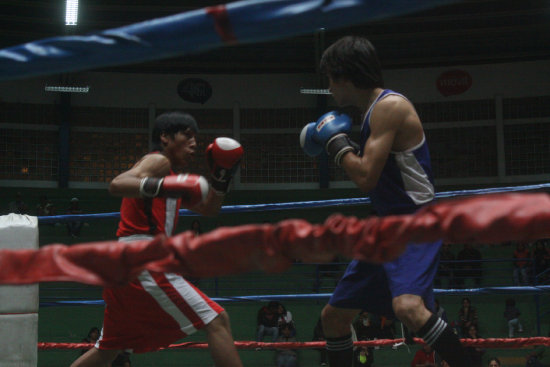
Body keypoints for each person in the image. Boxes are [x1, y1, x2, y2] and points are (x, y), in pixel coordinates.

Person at [300, 35, 469, 366]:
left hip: (414, 224)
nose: (330, 88)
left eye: (331, 79)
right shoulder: (371, 114)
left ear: (344, 74)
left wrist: (335, 143)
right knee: (333, 318)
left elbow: (365, 177)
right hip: (385, 227)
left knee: (407, 308)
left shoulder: (389, 107)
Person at [70, 111, 244, 367]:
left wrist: (222, 178)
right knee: (218, 321)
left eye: (196, 138)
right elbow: (117, 183)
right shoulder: (158, 162)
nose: (194, 144)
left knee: (109, 350)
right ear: (164, 137)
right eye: (187, 136)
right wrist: (163, 186)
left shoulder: (171, 176)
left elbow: (209, 209)